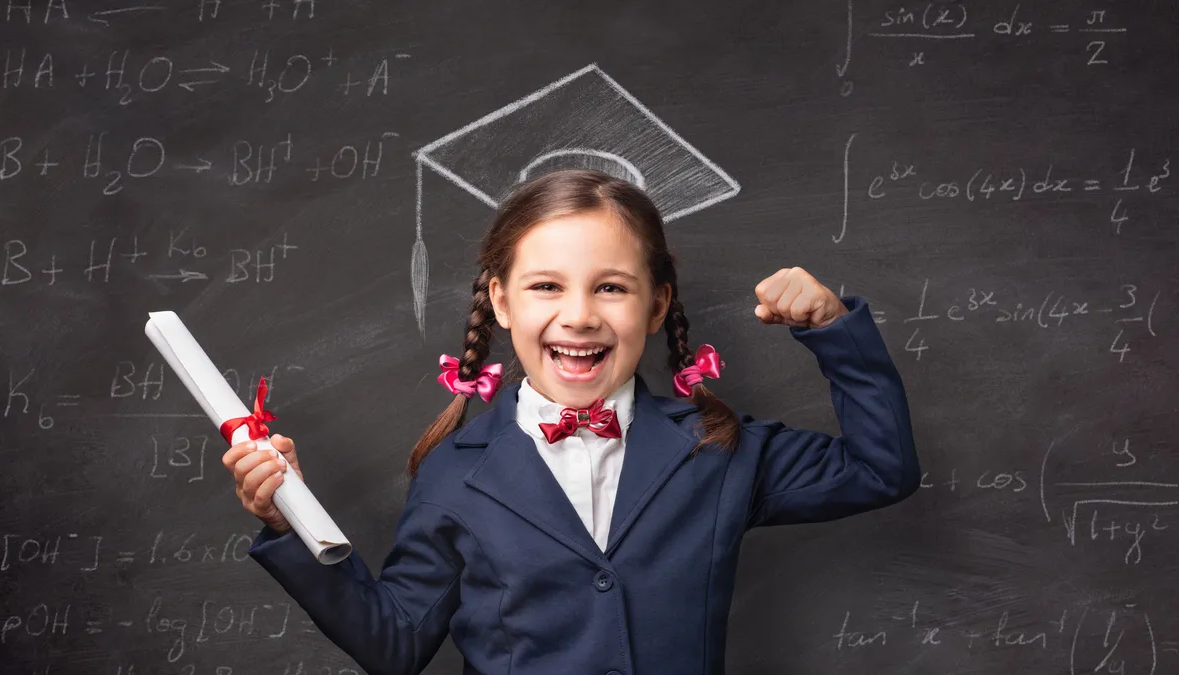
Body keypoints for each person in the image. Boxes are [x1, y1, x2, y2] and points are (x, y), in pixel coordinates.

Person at [222, 169, 920, 675]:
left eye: (610, 287)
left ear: (655, 305)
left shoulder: (718, 449)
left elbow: (881, 469)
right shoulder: (454, 469)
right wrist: (289, 521)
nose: (580, 315)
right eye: (546, 285)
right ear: (500, 301)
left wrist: (833, 330)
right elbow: (393, 643)